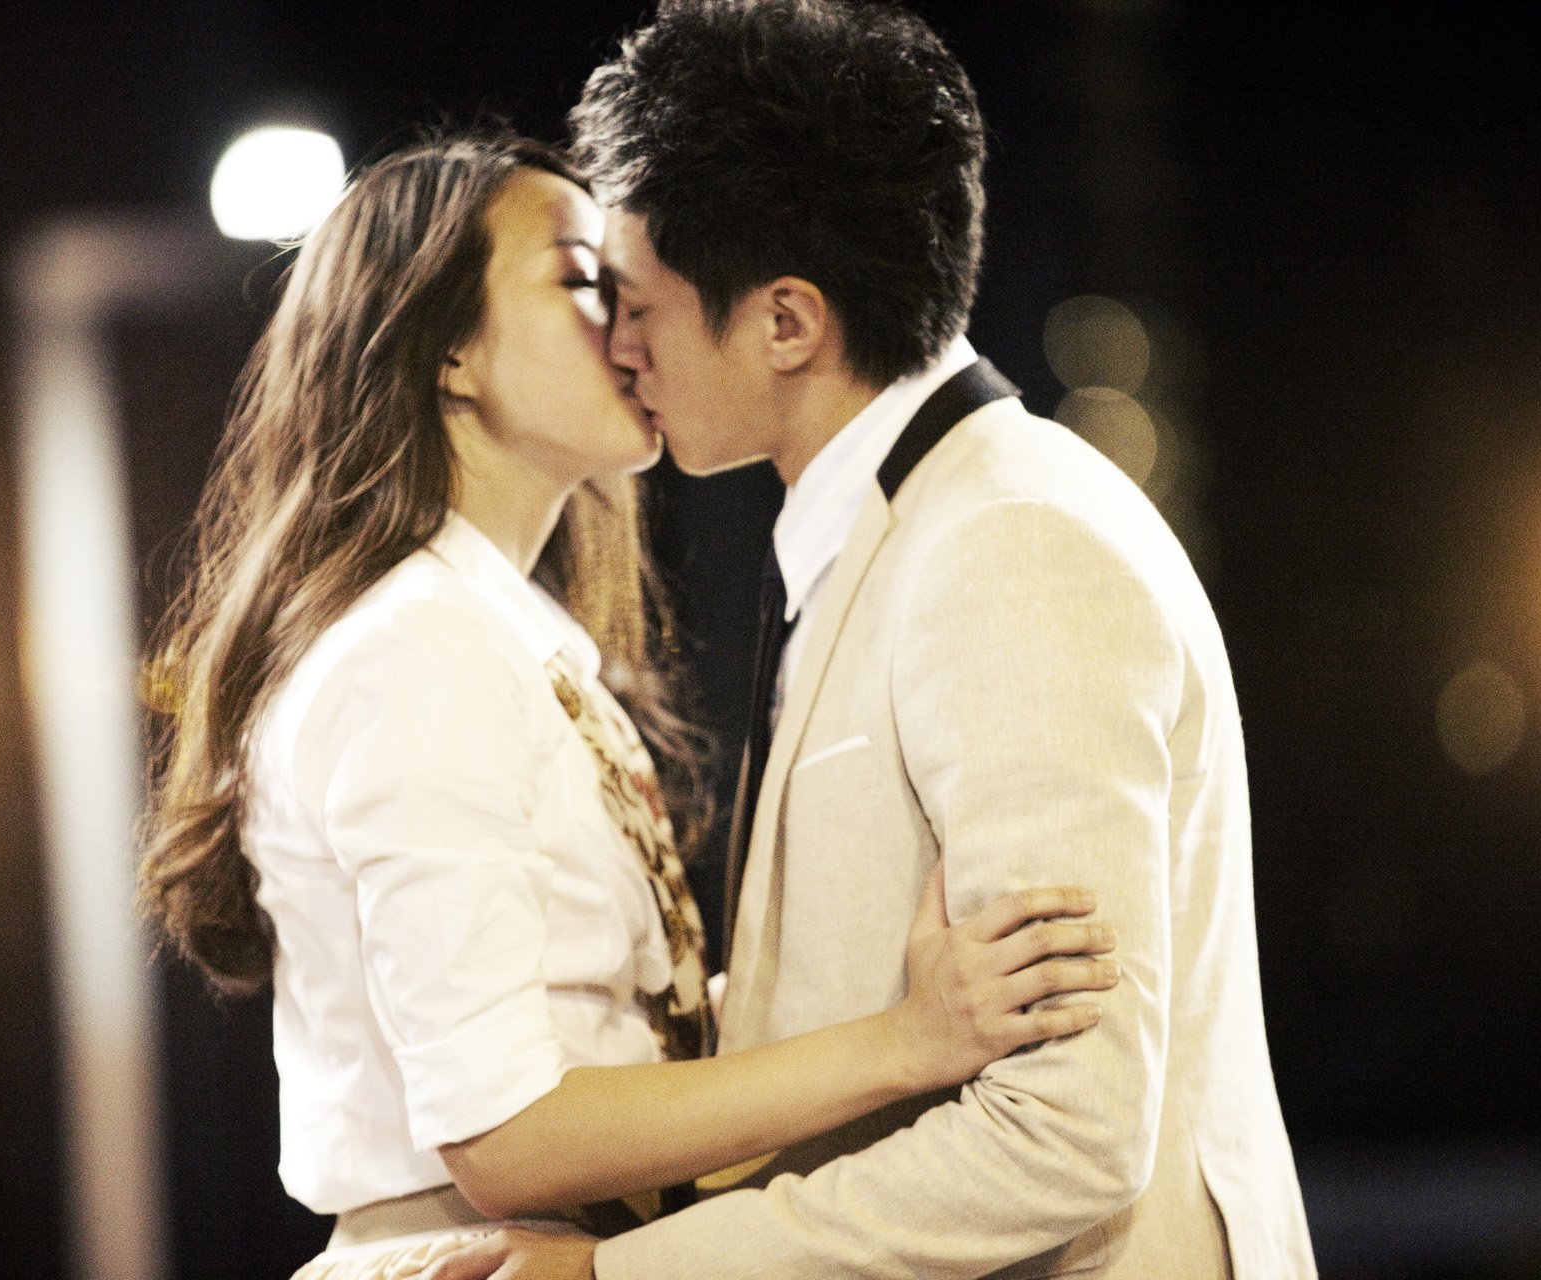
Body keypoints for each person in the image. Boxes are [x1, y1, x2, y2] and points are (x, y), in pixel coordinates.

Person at [134, 129, 1122, 1280]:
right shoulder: (416, 650)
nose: (632, 324)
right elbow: (507, 1135)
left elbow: (612, 1027)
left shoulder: (509, 637)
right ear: (449, 349)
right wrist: (905, 1039)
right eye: (581, 280)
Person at [434, 2, 1319, 1278]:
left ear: (788, 322)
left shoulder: (1010, 546)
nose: (619, 349)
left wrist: (615, 1274)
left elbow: (1066, 1133)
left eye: (640, 305)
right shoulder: (905, 527)